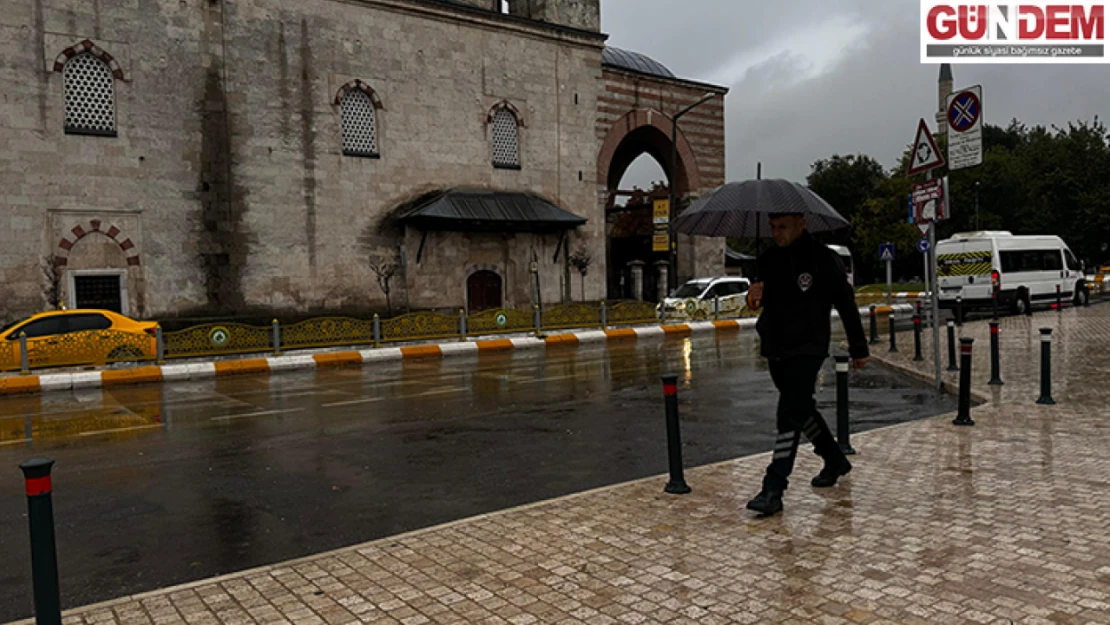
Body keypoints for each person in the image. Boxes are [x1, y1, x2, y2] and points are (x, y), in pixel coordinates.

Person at [743, 211, 870, 516]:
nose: (777, 233)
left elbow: (846, 303)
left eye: (783, 227)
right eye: (772, 227)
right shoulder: (767, 259)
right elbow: (758, 303)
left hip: (808, 348)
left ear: (801, 224)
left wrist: (858, 348)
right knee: (801, 409)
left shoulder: (822, 259)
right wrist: (752, 297)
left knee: (788, 413)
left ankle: (774, 486)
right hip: (775, 347)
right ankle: (834, 459)